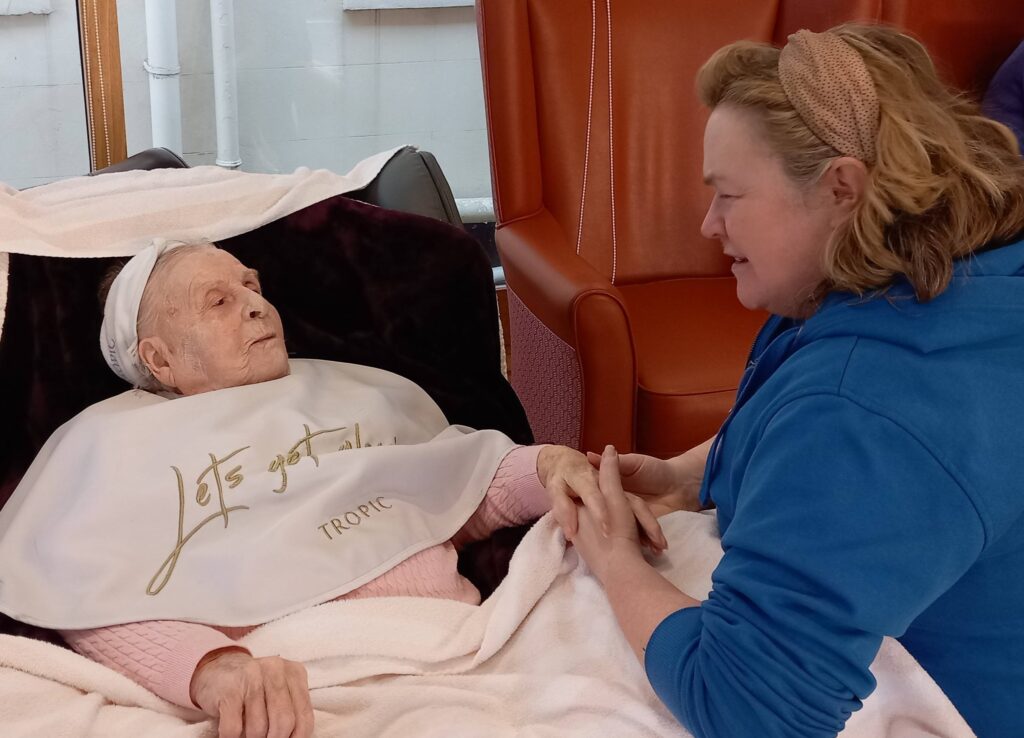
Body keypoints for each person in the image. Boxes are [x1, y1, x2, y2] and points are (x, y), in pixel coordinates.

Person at [3, 241, 666, 738]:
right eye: (220, 301)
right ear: (159, 358)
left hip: (473, 642)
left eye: (250, 284)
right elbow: (85, 596)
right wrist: (214, 670)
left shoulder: (349, 389)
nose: (257, 304)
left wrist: (553, 468)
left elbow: (460, 492)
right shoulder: (107, 445)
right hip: (305, 684)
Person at [567, 24, 1024, 738]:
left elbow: (748, 707)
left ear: (842, 187)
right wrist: (694, 473)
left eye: (729, 195)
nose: (709, 223)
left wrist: (614, 558)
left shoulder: (870, 407)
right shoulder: (933, 274)